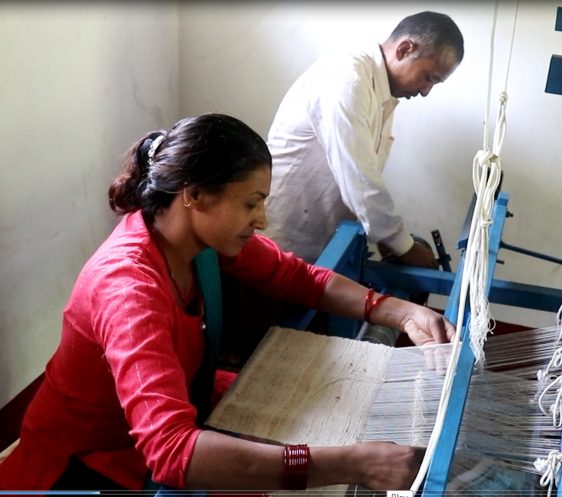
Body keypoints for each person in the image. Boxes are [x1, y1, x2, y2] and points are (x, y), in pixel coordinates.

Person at [0, 113, 455, 492]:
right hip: (83, 464)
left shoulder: (195, 240)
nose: (262, 220)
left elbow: (294, 276)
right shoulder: (128, 287)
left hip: (162, 417)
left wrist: (399, 310)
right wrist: (349, 464)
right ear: (194, 195)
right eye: (251, 203)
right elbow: (171, 452)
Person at [263, 11, 464, 268]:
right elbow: (359, 178)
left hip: (322, 247)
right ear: (404, 49)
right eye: (429, 78)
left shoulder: (383, 95)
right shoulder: (347, 79)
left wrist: (386, 239)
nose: (426, 91)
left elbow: (362, 178)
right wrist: (404, 246)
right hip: (283, 242)